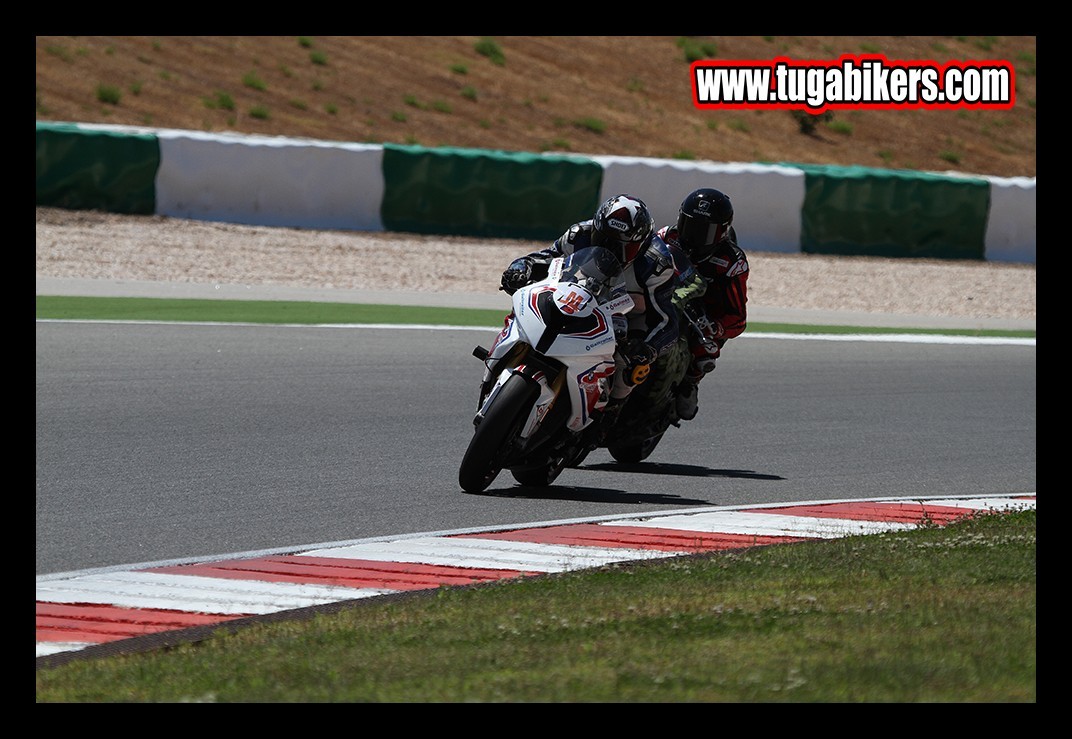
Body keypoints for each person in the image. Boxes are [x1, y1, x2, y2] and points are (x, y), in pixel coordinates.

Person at [500, 193, 681, 426]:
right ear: (596, 227)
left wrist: (648, 348)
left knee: (632, 366)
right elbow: (545, 258)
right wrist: (520, 267)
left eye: (623, 246)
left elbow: (667, 320)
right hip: (578, 294)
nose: (611, 249)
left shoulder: (656, 263)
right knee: (525, 308)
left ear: (641, 244)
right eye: (604, 239)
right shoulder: (580, 234)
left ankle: (611, 409)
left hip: (629, 315)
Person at [656, 187, 749, 421]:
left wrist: (716, 327)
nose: (694, 237)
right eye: (690, 226)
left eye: (704, 232)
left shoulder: (731, 261)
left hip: (701, 315)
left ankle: (690, 382)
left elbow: (737, 317)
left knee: (705, 350)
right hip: (661, 296)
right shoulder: (668, 236)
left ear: (722, 233)